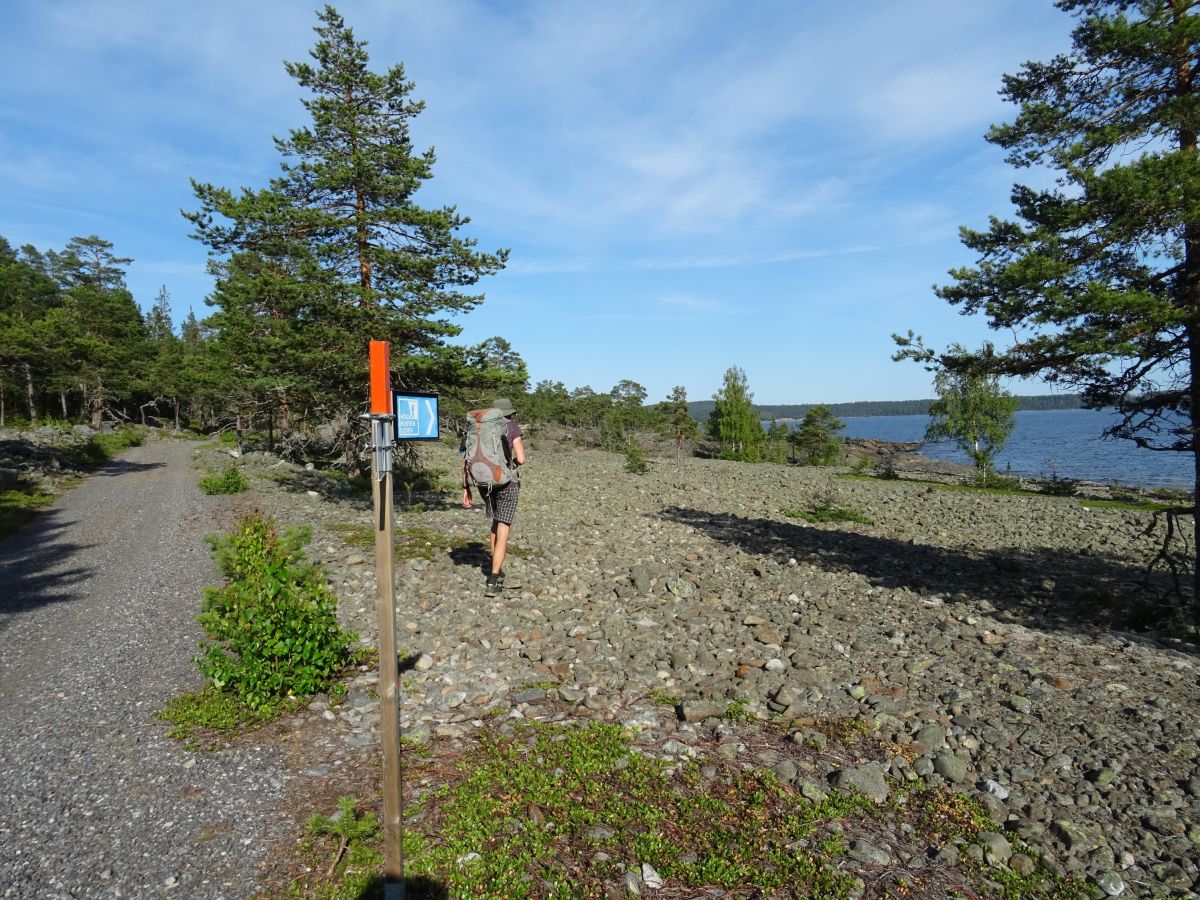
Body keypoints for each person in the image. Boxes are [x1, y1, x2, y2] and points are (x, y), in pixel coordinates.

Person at [462, 397, 526, 597]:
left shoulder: (477, 428)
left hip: (483, 482)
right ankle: (494, 578)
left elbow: (465, 459)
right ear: (508, 412)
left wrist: (466, 488)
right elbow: (522, 459)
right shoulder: (512, 427)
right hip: (506, 482)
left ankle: (495, 565)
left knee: (495, 522)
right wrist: (509, 466)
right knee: (504, 526)